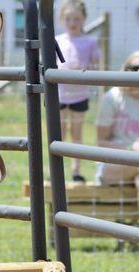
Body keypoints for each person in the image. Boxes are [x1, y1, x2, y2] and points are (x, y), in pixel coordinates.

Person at [56, 0, 100, 182]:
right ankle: (56, 171)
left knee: (76, 134)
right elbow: (50, 65)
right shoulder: (57, 41)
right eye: (68, 19)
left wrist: (83, 69)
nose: (72, 23)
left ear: (84, 19)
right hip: (59, 95)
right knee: (58, 134)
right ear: (62, 19)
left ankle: (76, 171)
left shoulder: (90, 42)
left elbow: (96, 67)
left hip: (80, 96)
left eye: (76, 19)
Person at [95, 51, 139, 203]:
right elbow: (101, 142)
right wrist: (130, 150)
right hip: (115, 163)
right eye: (134, 68)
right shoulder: (112, 97)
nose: (138, 73)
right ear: (125, 70)